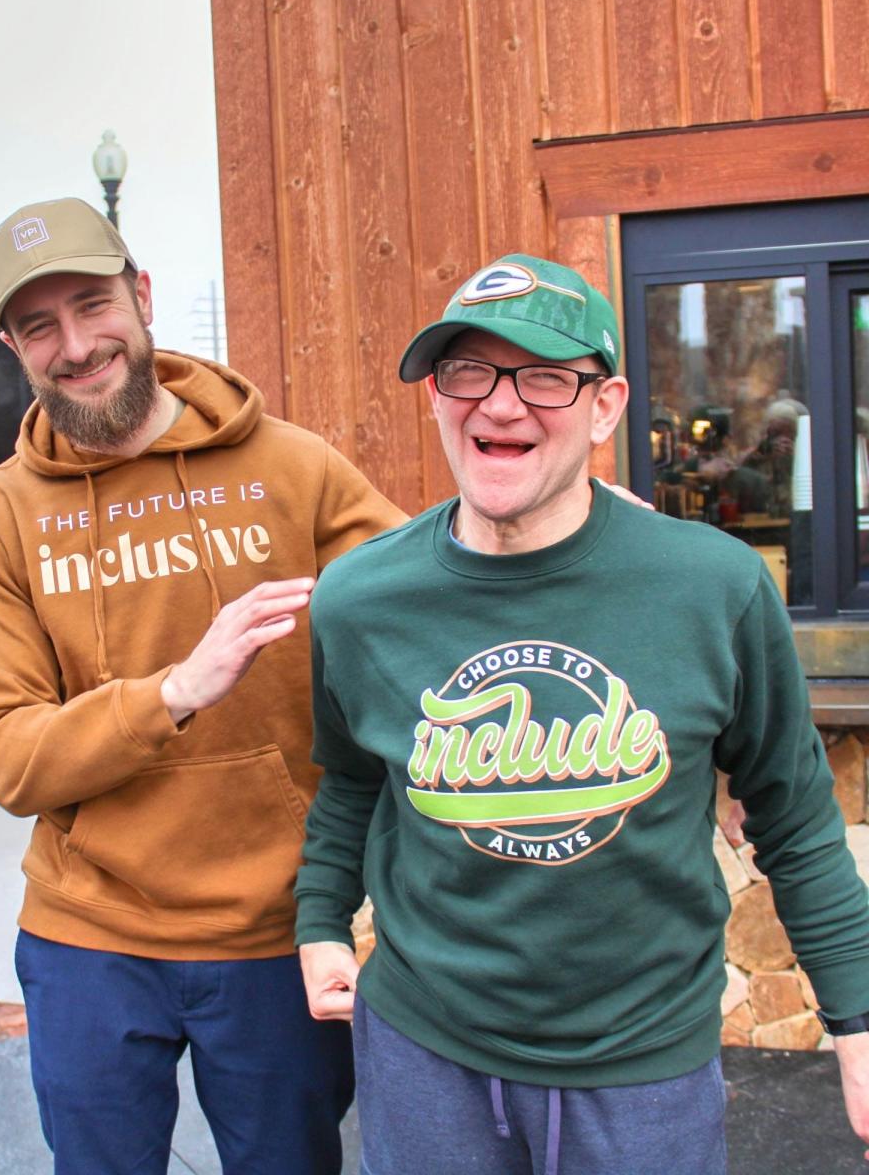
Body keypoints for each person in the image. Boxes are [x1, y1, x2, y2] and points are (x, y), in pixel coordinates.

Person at [295, 254, 869, 1174]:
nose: (500, 404)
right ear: (437, 397)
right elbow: (352, 785)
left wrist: (858, 1019)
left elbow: (796, 817)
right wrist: (322, 919)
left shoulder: (711, 587)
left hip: (641, 1072)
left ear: (606, 408)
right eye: (468, 371)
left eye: (547, 377)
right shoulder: (360, 599)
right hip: (424, 1057)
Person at [0, 197, 405, 1175]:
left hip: (273, 935)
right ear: (13, 348)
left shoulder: (291, 467)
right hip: (88, 939)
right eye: (38, 325)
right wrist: (173, 693)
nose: (74, 344)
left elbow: (430, 608)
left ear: (142, 296)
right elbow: (7, 756)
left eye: (91, 303)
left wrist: (560, 528)